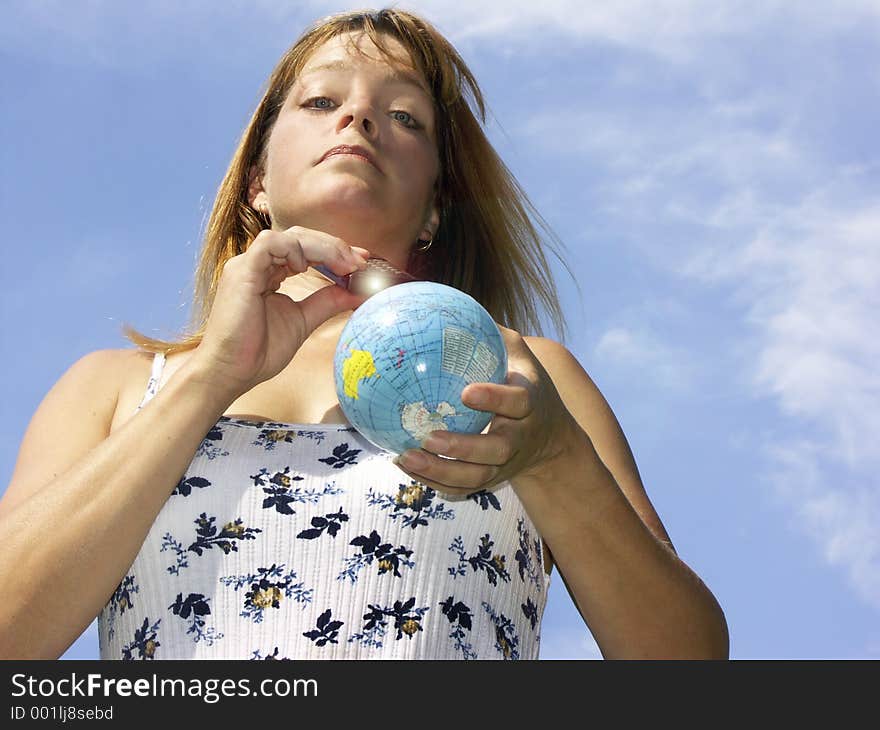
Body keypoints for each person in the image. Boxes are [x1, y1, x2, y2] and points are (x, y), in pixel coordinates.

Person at [0, 8, 728, 660]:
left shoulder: (526, 376)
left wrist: (556, 458)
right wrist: (207, 380)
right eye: (322, 101)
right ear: (256, 179)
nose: (357, 120)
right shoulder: (112, 386)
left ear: (436, 202)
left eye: (405, 117)